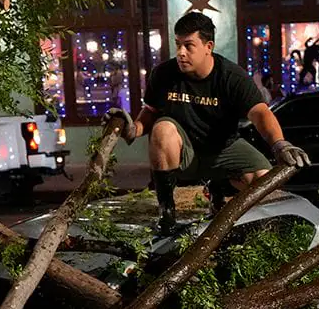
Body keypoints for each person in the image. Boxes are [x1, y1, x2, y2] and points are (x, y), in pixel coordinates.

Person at [115, 12, 308, 231]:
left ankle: (221, 191)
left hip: (221, 148)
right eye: (178, 44)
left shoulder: (231, 76)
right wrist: (134, 129)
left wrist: (279, 143)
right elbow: (150, 111)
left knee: (263, 178)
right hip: (183, 151)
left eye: (189, 45)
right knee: (163, 128)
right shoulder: (163, 74)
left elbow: (260, 112)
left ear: (209, 46)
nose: (180, 53)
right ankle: (167, 210)